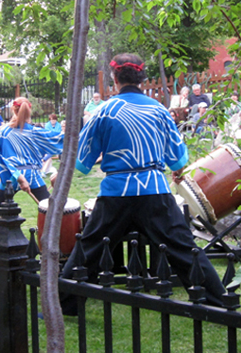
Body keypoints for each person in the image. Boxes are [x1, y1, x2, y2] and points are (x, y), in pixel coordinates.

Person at [60, 53, 225, 316]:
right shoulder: (159, 110)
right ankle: (217, 303)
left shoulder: (103, 111)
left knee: (90, 247)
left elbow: (82, 161)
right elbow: (178, 159)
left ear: (114, 79)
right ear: (142, 78)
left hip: (117, 193)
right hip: (154, 190)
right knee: (184, 247)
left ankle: (64, 304)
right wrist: (177, 174)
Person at [0, 96, 64, 213]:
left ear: (13, 110)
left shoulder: (4, 133)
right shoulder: (35, 132)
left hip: (11, 176)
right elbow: (59, 139)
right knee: (50, 210)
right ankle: (55, 230)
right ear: (29, 112)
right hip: (32, 175)